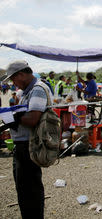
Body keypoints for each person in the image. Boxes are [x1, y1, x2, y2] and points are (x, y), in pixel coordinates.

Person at [3, 60, 52, 219]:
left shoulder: (37, 90)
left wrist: (12, 118)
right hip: (23, 146)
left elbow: (32, 119)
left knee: (29, 190)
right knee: (24, 189)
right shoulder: (27, 91)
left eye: (13, 79)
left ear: (21, 75)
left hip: (29, 147)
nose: (13, 83)